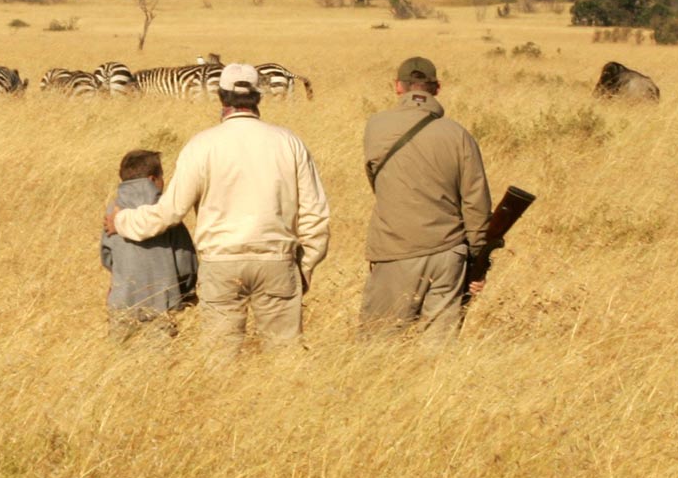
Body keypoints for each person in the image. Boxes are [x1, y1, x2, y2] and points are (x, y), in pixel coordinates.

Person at [108, 64, 331, 354]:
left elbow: (170, 212)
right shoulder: (289, 142)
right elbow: (316, 216)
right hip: (277, 260)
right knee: (285, 358)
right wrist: (305, 265)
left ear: (221, 98)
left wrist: (123, 220)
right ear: (258, 97)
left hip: (220, 263)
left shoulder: (201, 145)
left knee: (220, 360)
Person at [358, 55, 492, 345]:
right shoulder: (459, 135)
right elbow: (476, 204)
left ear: (398, 87)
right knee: (439, 350)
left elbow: (377, 184)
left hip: (395, 250)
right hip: (449, 253)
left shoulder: (376, 126)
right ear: (437, 88)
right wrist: (478, 257)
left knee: (378, 346)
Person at [100, 149, 196, 340]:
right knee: (160, 362)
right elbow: (185, 261)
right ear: (153, 179)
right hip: (162, 302)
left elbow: (107, 256)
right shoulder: (164, 214)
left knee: (122, 358)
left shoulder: (113, 210)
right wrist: (187, 291)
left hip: (122, 300)